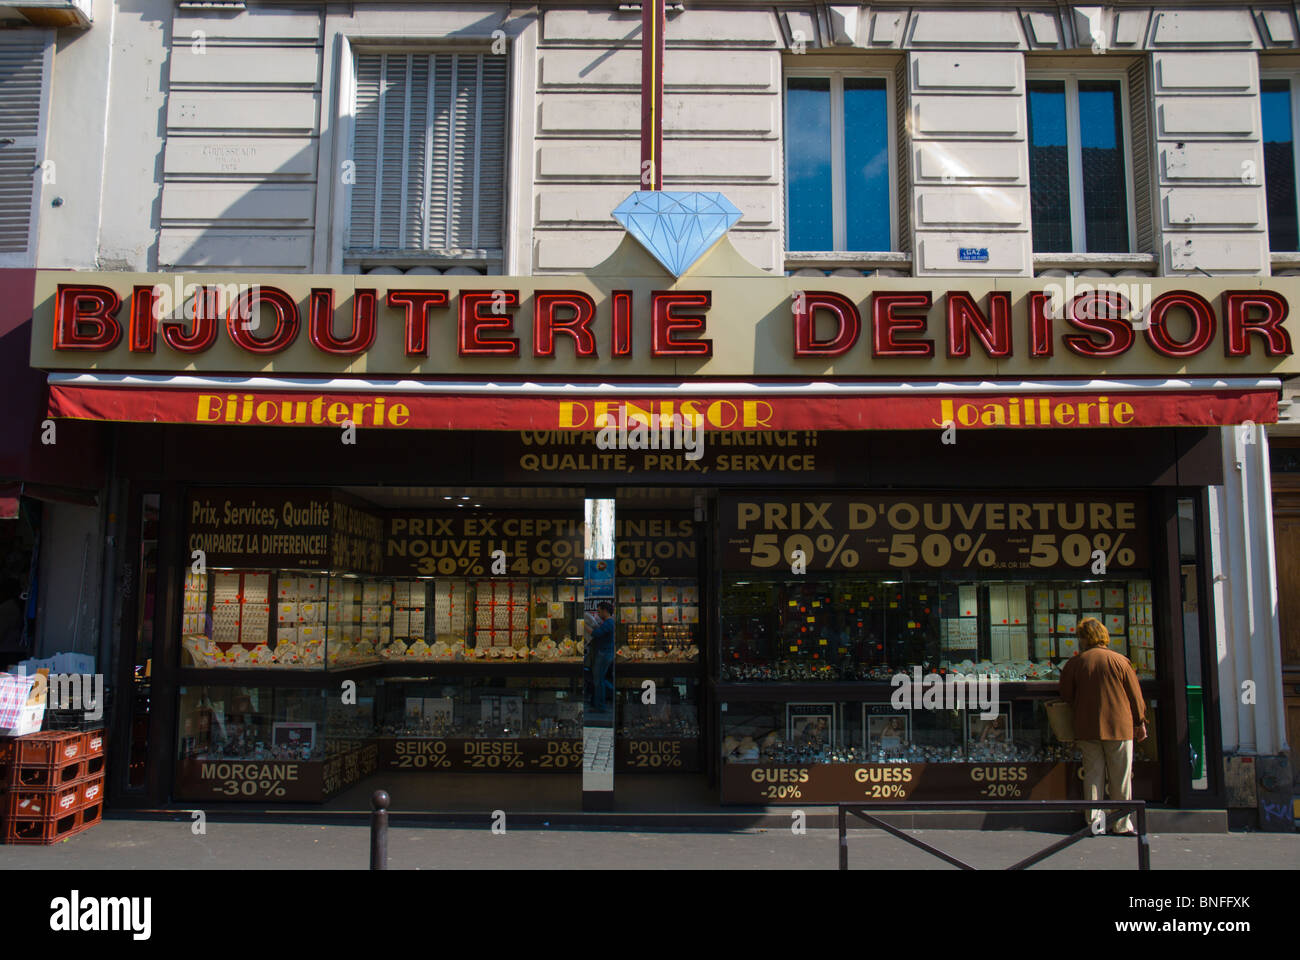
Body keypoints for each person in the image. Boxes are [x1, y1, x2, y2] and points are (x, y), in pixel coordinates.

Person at [1059, 617, 1147, 836]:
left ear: (1083, 639)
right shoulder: (1120, 661)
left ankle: (1095, 824)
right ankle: (1121, 823)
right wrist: (1140, 722)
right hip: (1119, 727)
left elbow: (1067, 695)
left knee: (1093, 776)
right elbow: (1135, 697)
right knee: (1121, 777)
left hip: (1088, 727)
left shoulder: (1076, 663)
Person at [587, 601, 616, 712]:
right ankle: (599, 704)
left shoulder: (609, 623)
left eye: (599, 611)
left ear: (605, 611)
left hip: (604, 654)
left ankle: (600, 706)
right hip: (605, 653)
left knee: (599, 680)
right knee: (600, 680)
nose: (598, 614)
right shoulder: (608, 622)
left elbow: (596, 634)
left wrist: (583, 625)